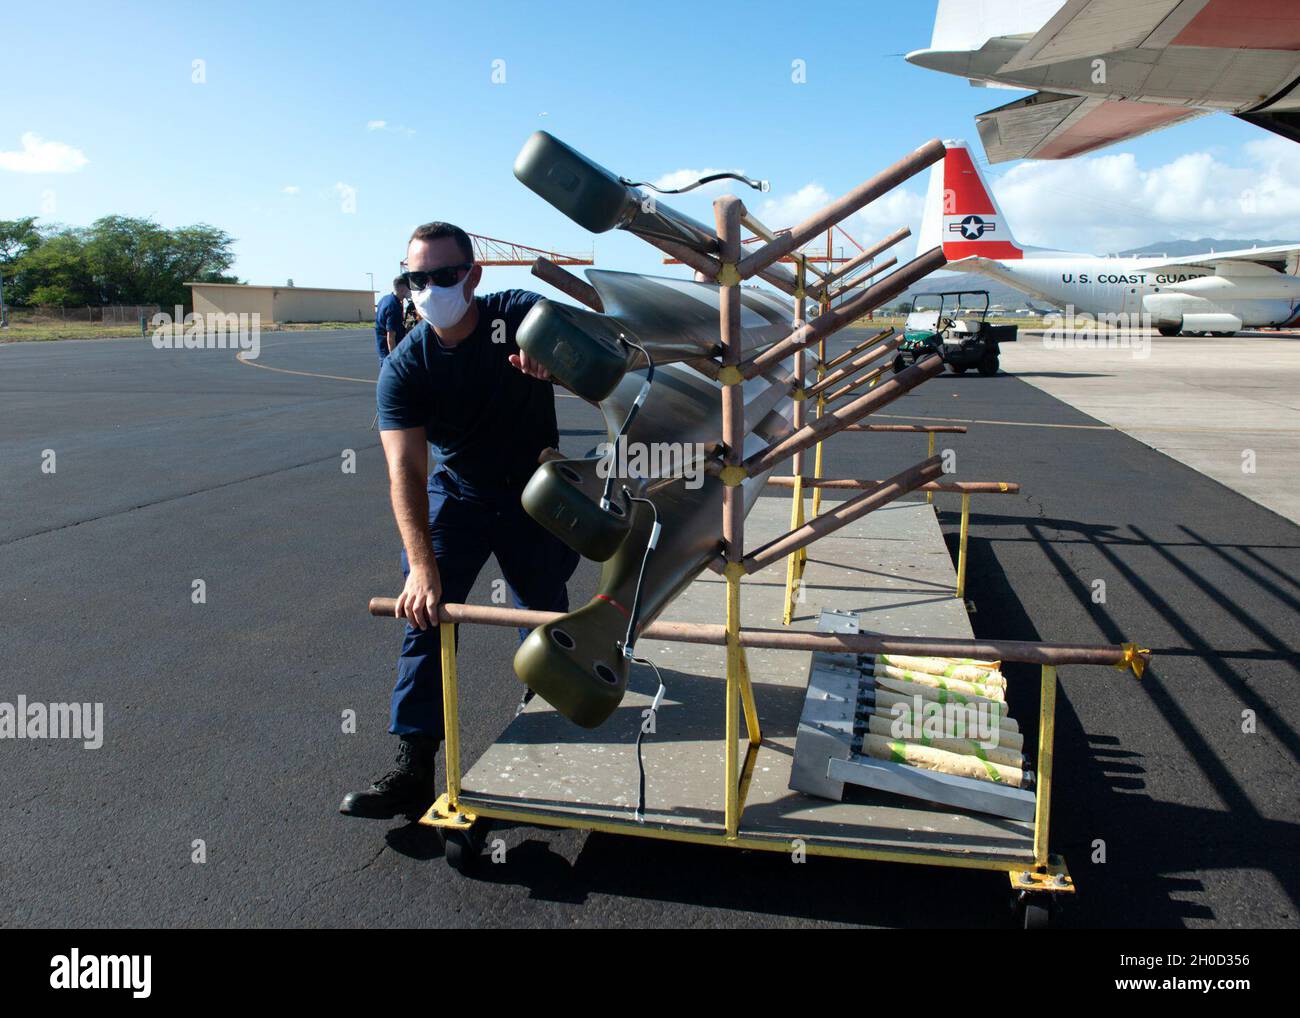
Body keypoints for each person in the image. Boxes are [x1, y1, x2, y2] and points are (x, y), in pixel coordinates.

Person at [340, 221, 580, 819]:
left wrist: (560, 364)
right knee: (424, 611)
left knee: (544, 611)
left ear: (472, 276)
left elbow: (602, 360)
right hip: (460, 493)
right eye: (415, 279)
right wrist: (420, 568)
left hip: (534, 493)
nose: (429, 290)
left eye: (443, 277)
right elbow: (404, 470)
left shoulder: (519, 314)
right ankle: (414, 763)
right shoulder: (405, 366)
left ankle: (542, 722)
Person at [374, 276, 410, 365]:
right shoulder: (394, 306)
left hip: (382, 348)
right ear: (402, 288)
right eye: (408, 287)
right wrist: (394, 358)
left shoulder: (385, 299)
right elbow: (390, 335)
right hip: (388, 351)